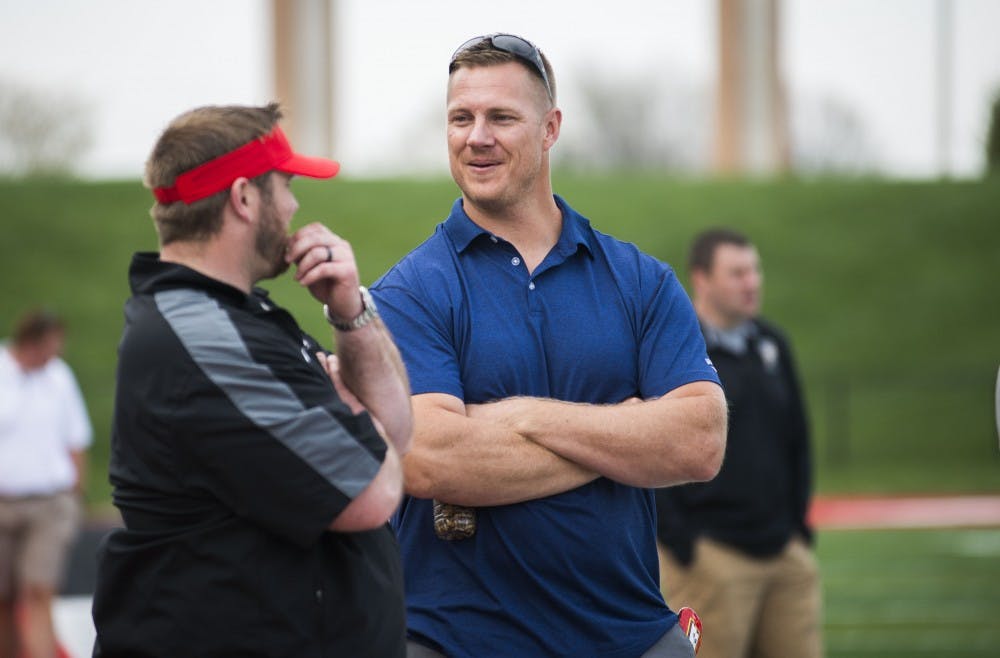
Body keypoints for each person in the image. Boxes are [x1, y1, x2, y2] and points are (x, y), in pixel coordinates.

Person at [370, 34, 728, 658]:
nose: (476, 136)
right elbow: (431, 459)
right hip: (455, 641)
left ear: (550, 128)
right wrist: (627, 433)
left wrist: (521, 418)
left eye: (501, 117)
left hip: (629, 636)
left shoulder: (638, 279)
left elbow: (699, 441)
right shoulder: (409, 291)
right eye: (461, 118)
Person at [91, 103, 413, 657]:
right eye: (285, 185)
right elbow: (373, 489)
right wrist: (349, 409)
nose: (293, 205)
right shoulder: (204, 337)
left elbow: (395, 434)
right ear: (243, 198)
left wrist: (350, 311)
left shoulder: (234, 319)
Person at [655, 228, 821, 658]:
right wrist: (681, 542)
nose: (752, 282)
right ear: (702, 279)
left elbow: (797, 440)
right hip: (712, 556)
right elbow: (650, 444)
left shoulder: (772, 344)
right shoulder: (673, 345)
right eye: (737, 273)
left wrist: (798, 528)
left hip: (784, 552)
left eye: (754, 270)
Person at [0, 308, 91, 658]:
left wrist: (74, 497)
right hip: (4, 503)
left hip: (49, 504)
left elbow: (76, 440)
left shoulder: (59, 377)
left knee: (39, 590)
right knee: (4, 598)